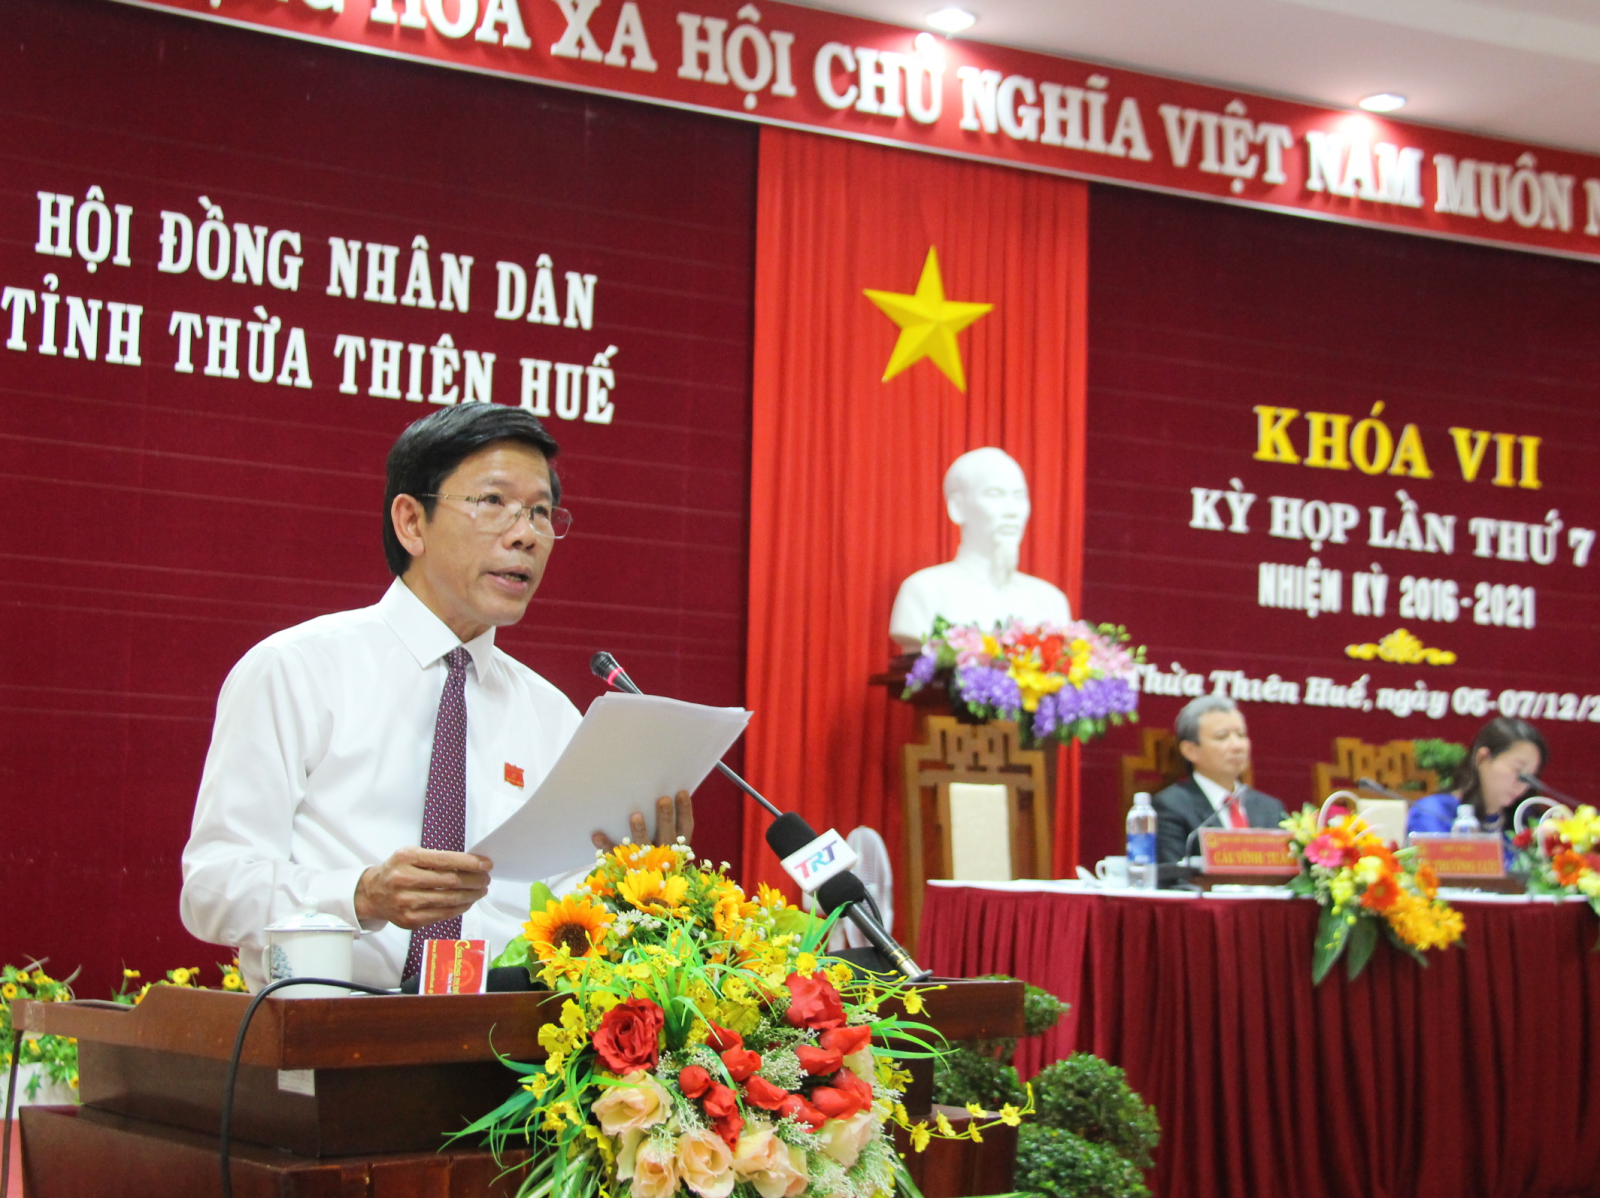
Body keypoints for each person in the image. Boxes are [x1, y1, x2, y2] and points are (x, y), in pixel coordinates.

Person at [180, 405, 689, 990]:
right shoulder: (297, 670)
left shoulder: (551, 716)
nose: (525, 534)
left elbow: (569, 911)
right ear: (411, 523)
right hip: (328, 1028)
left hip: (498, 1035)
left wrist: (634, 878)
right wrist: (361, 895)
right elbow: (212, 888)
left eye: (541, 512)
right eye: (492, 502)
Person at [888, 447, 1071, 650]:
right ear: (957, 507)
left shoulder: (1050, 601)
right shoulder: (925, 591)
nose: (1012, 511)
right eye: (995, 495)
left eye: (1019, 496)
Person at [1152, 695, 1286, 866]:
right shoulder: (1171, 806)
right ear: (1190, 750)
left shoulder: (1271, 809)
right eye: (1222, 737)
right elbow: (1173, 875)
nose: (1237, 746)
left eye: (1241, 735)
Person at [1406, 717, 1547, 843]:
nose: (1522, 784)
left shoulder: (1527, 826)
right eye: (1517, 770)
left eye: (1531, 776)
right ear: (1482, 758)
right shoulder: (1433, 812)